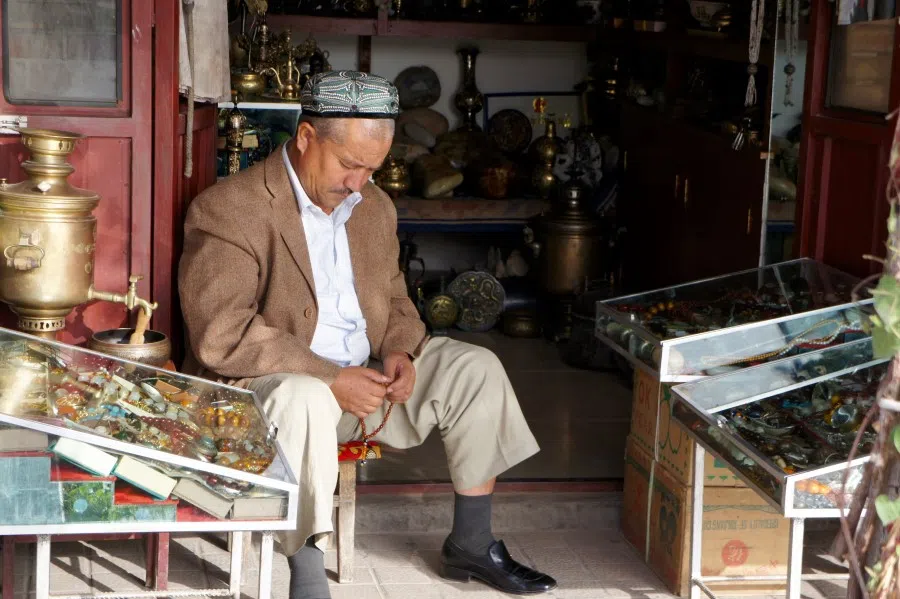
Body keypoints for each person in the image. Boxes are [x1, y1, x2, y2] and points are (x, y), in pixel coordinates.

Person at [178, 70, 556, 599]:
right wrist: (333, 377)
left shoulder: (372, 206)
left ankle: (472, 542)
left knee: (475, 368)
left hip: (365, 385)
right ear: (307, 138)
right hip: (275, 398)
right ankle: (308, 574)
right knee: (306, 395)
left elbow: (396, 297)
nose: (359, 182)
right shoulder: (230, 208)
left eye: (372, 169)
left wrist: (400, 348)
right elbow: (223, 333)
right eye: (350, 164)